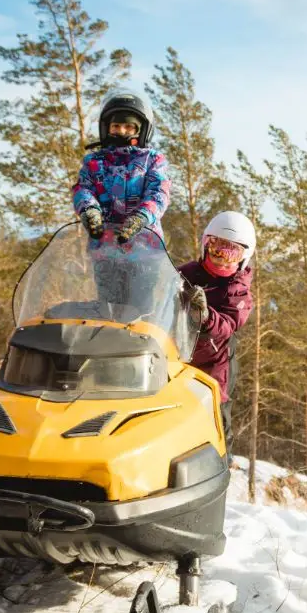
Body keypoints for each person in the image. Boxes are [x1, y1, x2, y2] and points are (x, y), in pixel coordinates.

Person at [73, 90, 172, 308]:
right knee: (109, 308)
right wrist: (89, 210)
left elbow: (159, 192)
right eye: (116, 126)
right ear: (106, 127)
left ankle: (140, 341)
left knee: (139, 309)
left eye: (129, 127)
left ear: (141, 130)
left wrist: (142, 216)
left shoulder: (152, 160)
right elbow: (83, 188)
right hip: (105, 247)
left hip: (145, 249)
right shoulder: (94, 162)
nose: (122, 131)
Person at [178, 211, 256, 449]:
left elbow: (228, 325)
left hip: (214, 362)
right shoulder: (187, 273)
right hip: (179, 351)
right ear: (205, 245)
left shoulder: (238, 290)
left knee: (215, 412)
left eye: (231, 254)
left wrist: (206, 316)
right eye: (216, 250)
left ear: (244, 257)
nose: (222, 260)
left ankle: (223, 458)